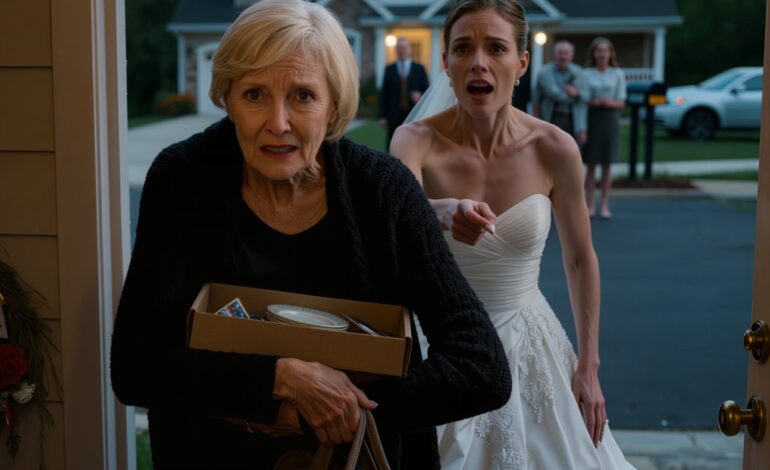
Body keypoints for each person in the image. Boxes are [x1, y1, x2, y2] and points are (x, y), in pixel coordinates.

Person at [109, 1, 512, 469]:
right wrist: (281, 380)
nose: (278, 123)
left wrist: (346, 411)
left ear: (334, 104)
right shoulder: (184, 180)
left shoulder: (383, 190)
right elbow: (136, 364)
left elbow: (481, 365)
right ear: (227, 97)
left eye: (302, 96)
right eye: (254, 94)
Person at [391, 0, 635, 468]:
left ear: (521, 64)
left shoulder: (555, 149)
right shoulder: (413, 141)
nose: (478, 62)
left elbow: (580, 259)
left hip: (531, 344)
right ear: (446, 62)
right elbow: (397, 220)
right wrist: (441, 211)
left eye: (496, 48)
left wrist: (588, 367)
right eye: (463, 48)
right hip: (440, 344)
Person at [582, 36, 627, 219]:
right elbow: (583, 98)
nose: (602, 54)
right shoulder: (586, 73)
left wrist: (608, 102)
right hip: (592, 118)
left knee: (607, 164)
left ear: (610, 54)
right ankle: (590, 204)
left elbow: (622, 102)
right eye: (599, 50)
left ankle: (605, 205)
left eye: (605, 50)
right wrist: (594, 101)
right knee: (591, 164)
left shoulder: (617, 73)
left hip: (610, 119)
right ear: (594, 53)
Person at [533, 40, 589, 144]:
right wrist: (538, 124)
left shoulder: (579, 72)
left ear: (572, 55)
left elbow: (587, 96)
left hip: (574, 121)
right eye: (560, 53)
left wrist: (577, 93)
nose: (563, 56)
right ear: (554, 54)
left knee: (574, 150)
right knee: (551, 149)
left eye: (566, 53)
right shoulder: (544, 73)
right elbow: (551, 95)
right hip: (551, 118)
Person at [378, 38, 430, 148]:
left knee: (412, 145)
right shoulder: (389, 69)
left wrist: (420, 95)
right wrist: (383, 116)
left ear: (410, 50)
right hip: (393, 115)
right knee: (393, 145)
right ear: (396, 50)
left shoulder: (419, 68)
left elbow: (427, 91)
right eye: (399, 48)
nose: (402, 50)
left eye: (404, 48)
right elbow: (384, 94)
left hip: (414, 115)